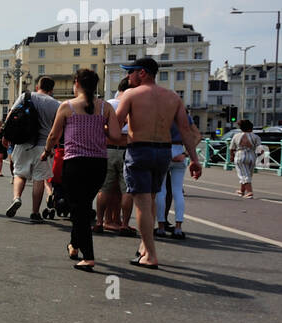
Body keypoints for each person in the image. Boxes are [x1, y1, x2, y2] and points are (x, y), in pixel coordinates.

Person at [110, 57, 202, 269]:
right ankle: (144, 247)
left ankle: (150, 254)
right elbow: (186, 131)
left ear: (142, 73)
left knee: (142, 204)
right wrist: (194, 160)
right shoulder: (173, 97)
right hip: (163, 152)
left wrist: (101, 131)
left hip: (140, 150)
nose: (127, 76)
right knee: (150, 199)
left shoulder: (131, 94)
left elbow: (116, 127)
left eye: (130, 72)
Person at [43, 69, 115, 271]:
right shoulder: (105, 108)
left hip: (75, 163)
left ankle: (89, 257)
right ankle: (74, 245)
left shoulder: (67, 106)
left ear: (76, 83)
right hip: (99, 164)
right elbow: (116, 136)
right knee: (82, 206)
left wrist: (47, 151)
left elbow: (53, 136)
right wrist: (99, 129)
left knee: (80, 210)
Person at [4, 77, 61, 222]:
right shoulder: (56, 104)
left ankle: (17, 198)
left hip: (22, 143)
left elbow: (11, 114)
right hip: (43, 146)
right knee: (39, 179)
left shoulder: (26, 96)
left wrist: (7, 135)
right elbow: (57, 129)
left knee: (19, 174)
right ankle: (35, 212)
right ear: (51, 90)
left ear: (37, 86)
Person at [95, 77, 135, 236]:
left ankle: (100, 221)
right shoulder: (134, 103)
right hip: (127, 149)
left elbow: (100, 127)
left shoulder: (108, 104)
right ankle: (123, 223)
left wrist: (110, 132)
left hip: (108, 148)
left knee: (104, 188)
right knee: (126, 190)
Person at [154, 120, 189, 238]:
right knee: (178, 191)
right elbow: (196, 136)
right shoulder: (184, 116)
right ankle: (178, 228)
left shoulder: (161, 112)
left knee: (161, 191)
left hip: (163, 149)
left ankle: (161, 227)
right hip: (180, 150)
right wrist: (186, 154)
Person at [229, 119, 260, 198]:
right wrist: (262, 159)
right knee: (247, 174)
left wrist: (232, 156)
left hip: (240, 155)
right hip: (252, 156)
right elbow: (259, 149)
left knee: (243, 174)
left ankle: (249, 192)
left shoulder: (236, 136)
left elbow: (232, 148)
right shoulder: (256, 137)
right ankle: (242, 190)